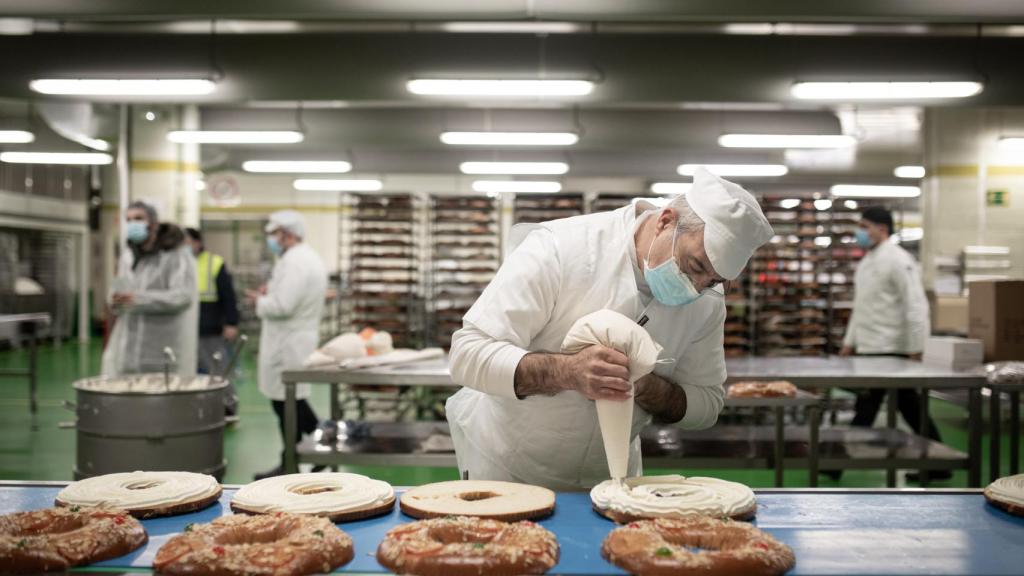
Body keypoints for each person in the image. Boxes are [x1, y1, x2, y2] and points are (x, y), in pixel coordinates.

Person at [446, 168, 774, 490]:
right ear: (665, 221)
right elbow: (468, 354)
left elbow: (707, 404)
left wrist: (646, 387)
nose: (696, 287)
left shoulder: (708, 301)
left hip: (610, 480)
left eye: (714, 281)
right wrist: (568, 372)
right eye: (695, 266)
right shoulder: (563, 249)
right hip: (508, 470)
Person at [839, 205, 943, 481]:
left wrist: (917, 347)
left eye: (864, 227)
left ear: (882, 229)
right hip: (871, 348)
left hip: (891, 349)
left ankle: (833, 463)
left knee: (868, 408)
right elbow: (861, 307)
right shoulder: (867, 262)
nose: (860, 233)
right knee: (908, 407)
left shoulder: (898, 259)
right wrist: (850, 342)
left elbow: (915, 304)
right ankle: (940, 463)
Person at [246, 210, 328, 480]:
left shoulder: (295, 262)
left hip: (287, 342)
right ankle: (313, 450)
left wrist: (259, 301)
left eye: (275, 233)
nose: (271, 239)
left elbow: (283, 306)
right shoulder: (302, 258)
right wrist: (269, 294)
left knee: (287, 404)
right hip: (293, 338)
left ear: (289, 234)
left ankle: (296, 459)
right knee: (290, 401)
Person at [102, 201, 198, 378]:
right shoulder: (128, 256)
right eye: (128, 220)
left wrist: (138, 299)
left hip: (161, 349)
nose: (133, 224)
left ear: (154, 224)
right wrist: (115, 300)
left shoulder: (175, 256)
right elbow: (120, 288)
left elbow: (182, 297)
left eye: (138, 218)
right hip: (128, 350)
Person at [185, 227, 241, 416]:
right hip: (184, 330)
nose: (184, 247)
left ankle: (229, 407)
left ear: (198, 242)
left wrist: (231, 322)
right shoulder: (178, 264)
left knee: (218, 371)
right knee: (187, 372)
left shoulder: (214, 262)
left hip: (209, 329)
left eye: (188, 242)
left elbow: (228, 295)